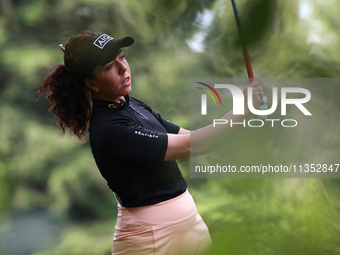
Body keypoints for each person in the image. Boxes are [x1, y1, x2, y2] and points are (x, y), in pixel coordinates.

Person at [36, 30, 264, 255]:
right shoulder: (110, 128)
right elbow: (194, 145)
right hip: (151, 239)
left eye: (122, 57)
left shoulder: (130, 103)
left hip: (189, 225)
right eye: (109, 66)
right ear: (91, 83)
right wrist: (242, 109)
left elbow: (190, 137)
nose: (124, 68)